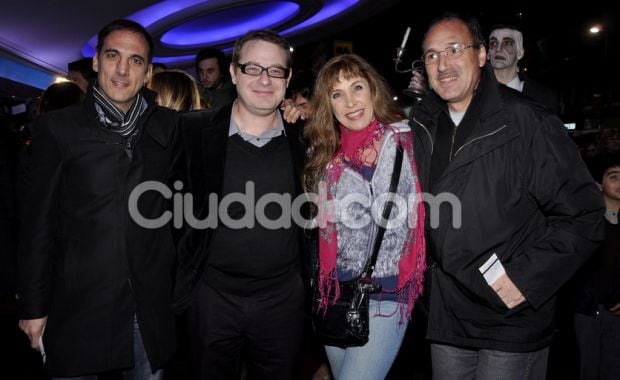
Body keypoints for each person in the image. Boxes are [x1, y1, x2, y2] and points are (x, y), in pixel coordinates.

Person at [408, 13, 603, 379]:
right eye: (431, 55)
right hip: (446, 316)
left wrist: (525, 280)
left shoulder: (526, 121)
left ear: (480, 55)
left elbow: (585, 215)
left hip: (509, 321)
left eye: (454, 49)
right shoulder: (424, 122)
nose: (442, 64)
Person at [17, 19, 178, 379]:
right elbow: (36, 225)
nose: (122, 69)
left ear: (148, 72)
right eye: (113, 55)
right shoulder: (59, 129)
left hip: (146, 310)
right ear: (95, 62)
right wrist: (32, 306)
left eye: (135, 61)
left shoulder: (167, 128)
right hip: (78, 308)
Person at [175, 29, 306, 379]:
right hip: (211, 297)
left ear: (288, 78)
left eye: (275, 70)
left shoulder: (308, 138)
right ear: (233, 72)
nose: (264, 79)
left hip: (283, 300)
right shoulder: (192, 131)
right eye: (252, 68)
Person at [304, 53, 426, 380]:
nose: (350, 102)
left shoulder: (405, 140)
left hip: (386, 291)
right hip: (334, 294)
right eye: (337, 94)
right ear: (327, 104)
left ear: (373, 88)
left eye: (357, 87)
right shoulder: (324, 156)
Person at [572, 154, 620, 379]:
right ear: (599, 183)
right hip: (586, 308)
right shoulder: (585, 220)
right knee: (587, 368)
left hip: (617, 310)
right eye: (614, 177)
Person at [488, 24, 560, 114]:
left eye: (507, 43)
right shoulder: (473, 94)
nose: (498, 49)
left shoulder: (544, 97)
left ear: (520, 52)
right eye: (493, 43)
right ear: (487, 53)